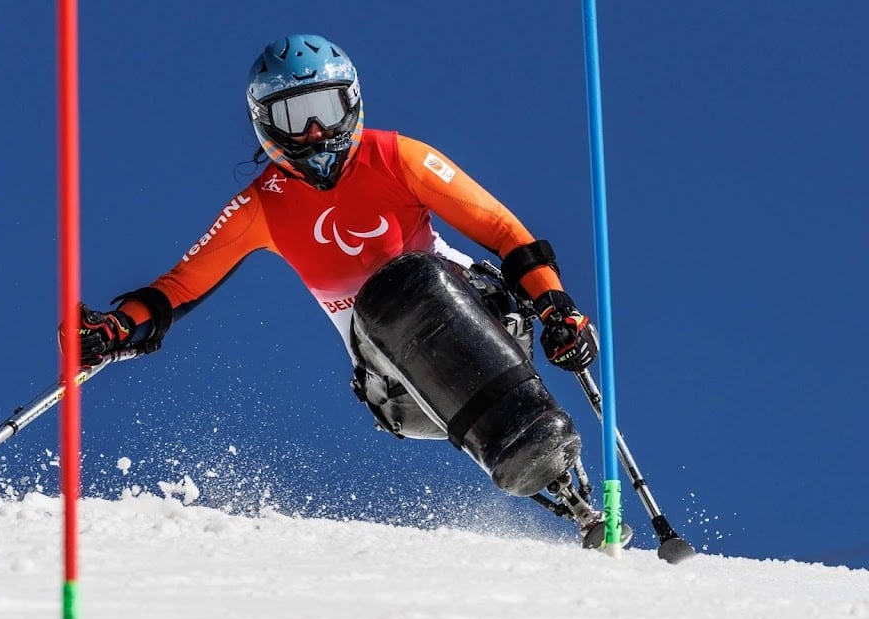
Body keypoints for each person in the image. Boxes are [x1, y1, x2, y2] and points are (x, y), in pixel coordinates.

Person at [71, 34, 628, 547]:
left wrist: (556, 308)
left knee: (417, 278)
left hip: (485, 322)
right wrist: (117, 327)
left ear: (352, 103)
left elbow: (505, 233)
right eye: (294, 117)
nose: (314, 132)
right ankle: (536, 456)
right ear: (265, 125)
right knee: (396, 292)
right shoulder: (261, 205)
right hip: (397, 386)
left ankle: (566, 482)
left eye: (325, 109)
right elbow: (180, 286)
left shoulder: (398, 157)